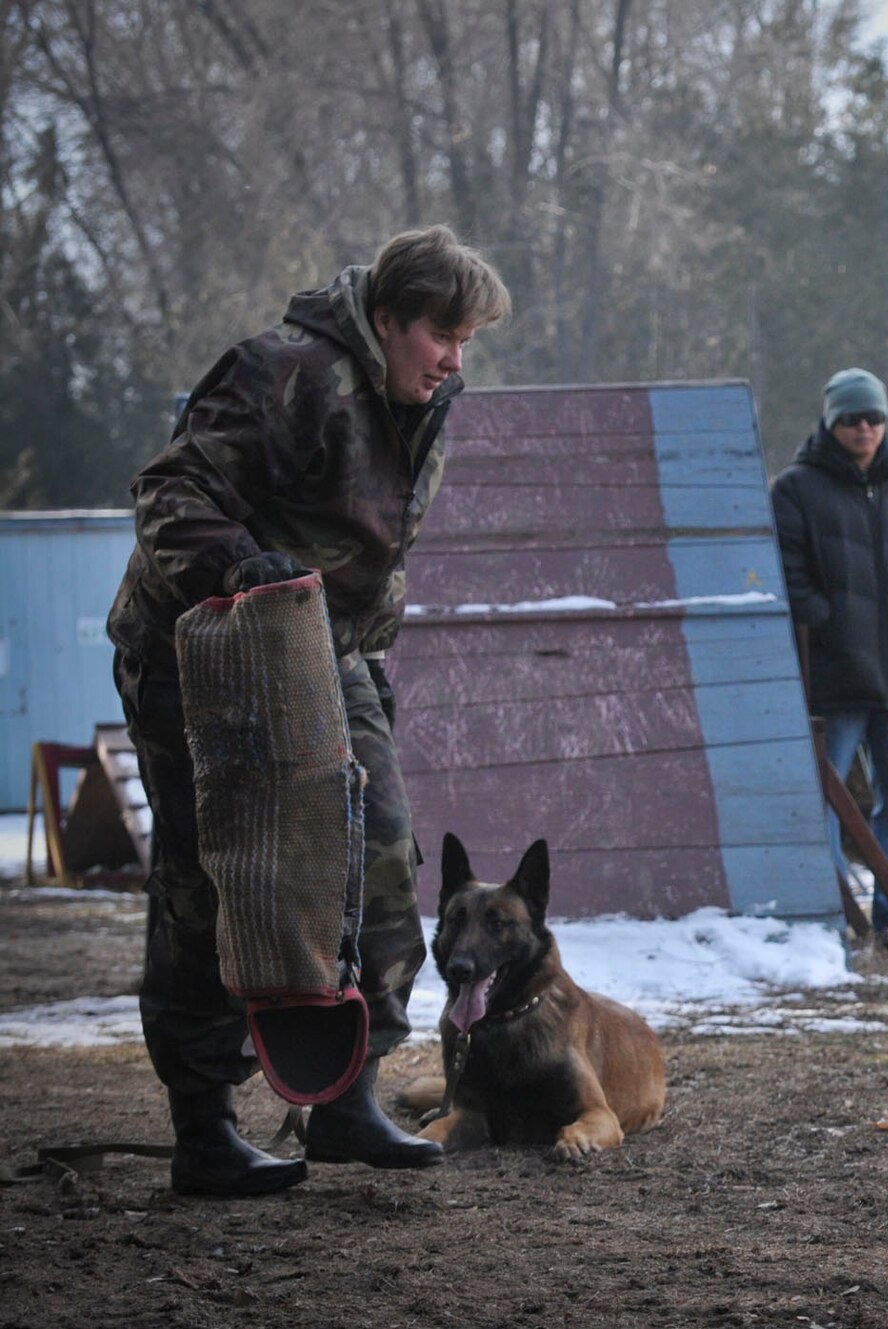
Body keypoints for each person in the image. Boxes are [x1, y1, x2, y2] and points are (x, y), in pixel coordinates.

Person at [106, 226, 511, 1196]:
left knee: (380, 861)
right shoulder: (284, 374)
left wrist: (368, 660)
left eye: (467, 339)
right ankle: (203, 1127)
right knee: (220, 882)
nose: (455, 357)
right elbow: (168, 493)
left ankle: (343, 1103)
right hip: (202, 651)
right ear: (385, 319)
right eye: (440, 334)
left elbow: (369, 551)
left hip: (330, 655)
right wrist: (238, 565)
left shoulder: (425, 400)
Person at [771, 369, 888, 947]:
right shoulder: (795, 491)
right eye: (852, 418)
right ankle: (833, 914)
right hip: (834, 677)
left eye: (873, 418)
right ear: (831, 422)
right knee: (822, 800)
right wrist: (825, 625)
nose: (864, 428)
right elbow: (787, 570)